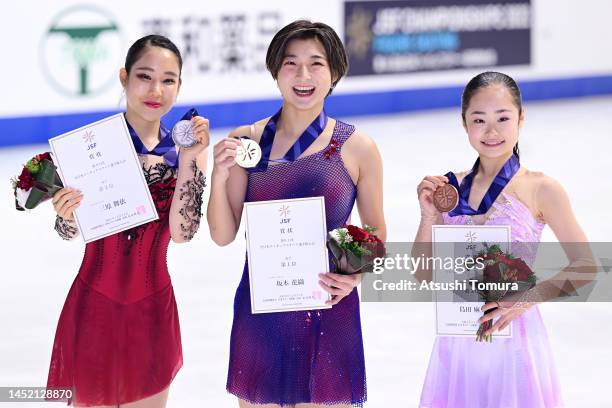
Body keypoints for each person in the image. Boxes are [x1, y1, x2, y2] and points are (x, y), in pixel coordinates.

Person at [207, 20, 386, 408]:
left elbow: (376, 238)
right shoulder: (246, 141)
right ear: (275, 70)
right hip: (263, 311)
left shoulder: (357, 148)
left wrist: (356, 275)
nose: (303, 75)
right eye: (291, 63)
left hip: (328, 307)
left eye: (316, 64)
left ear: (335, 72)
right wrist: (220, 174)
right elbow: (223, 234)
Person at [47, 34, 209, 407]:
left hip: (152, 311)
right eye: (144, 76)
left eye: (169, 80)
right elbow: (67, 231)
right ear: (124, 77)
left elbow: (184, 234)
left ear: (179, 86)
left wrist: (189, 161)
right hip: (93, 306)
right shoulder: (93, 147)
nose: (156, 90)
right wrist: (65, 213)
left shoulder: (186, 151)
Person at [414, 71, 593, 408]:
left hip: (517, 343)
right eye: (479, 119)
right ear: (464, 123)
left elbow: (587, 266)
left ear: (521, 119)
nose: (491, 131)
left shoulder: (542, 188)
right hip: (457, 347)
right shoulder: (449, 190)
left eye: (503, 118)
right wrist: (428, 218)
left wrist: (527, 298)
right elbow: (423, 275)